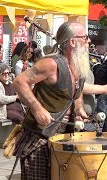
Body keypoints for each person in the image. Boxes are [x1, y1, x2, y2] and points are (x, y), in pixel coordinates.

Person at [13, 21, 90, 179]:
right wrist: (37, 108)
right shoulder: (51, 64)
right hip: (40, 134)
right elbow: (19, 82)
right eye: (85, 37)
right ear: (72, 42)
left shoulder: (79, 65)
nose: (88, 41)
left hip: (64, 136)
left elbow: (78, 92)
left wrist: (79, 109)